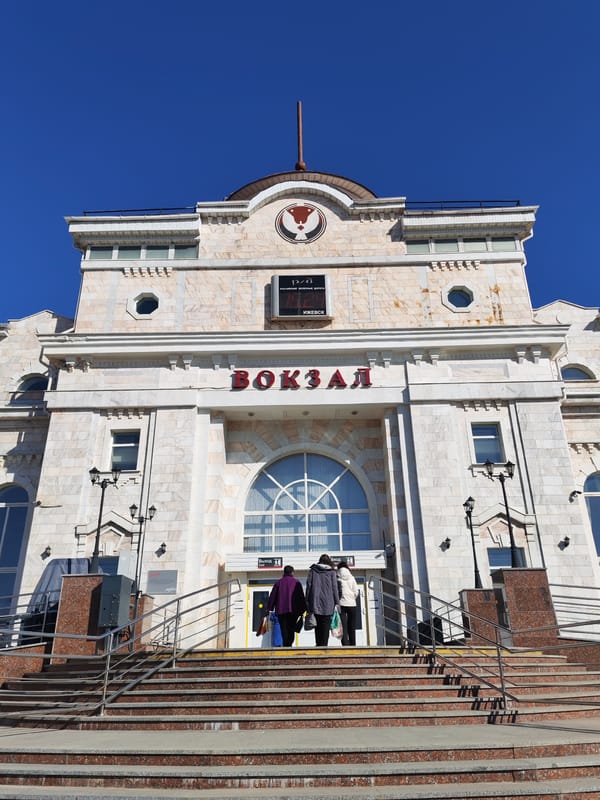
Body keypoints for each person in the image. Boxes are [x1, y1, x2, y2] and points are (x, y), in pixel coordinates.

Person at [267, 565, 306, 647]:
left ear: (284, 572)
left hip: (281, 610)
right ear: (292, 572)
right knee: (291, 629)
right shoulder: (296, 582)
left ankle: (286, 644)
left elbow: (273, 596)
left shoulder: (278, 583)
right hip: (293, 610)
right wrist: (303, 609)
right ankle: (289, 644)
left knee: (283, 629)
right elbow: (301, 597)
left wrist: (269, 608)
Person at [305, 554, 340, 646]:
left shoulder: (313, 571)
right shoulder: (332, 572)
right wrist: (337, 603)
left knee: (317, 626)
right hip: (328, 604)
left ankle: (318, 645)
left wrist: (307, 601)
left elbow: (308, 586)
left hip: (315, 603)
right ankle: (324, 646)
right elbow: (334, 588)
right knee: (325, 626)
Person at [337, 560, 359, 646]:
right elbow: (356, 591)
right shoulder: (352, 577)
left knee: (343, 627)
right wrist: (352, 598)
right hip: (352, 604)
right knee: (352, 626)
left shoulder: (337, 578)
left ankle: (345, 645)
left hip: (341, 604)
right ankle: (353, 645)